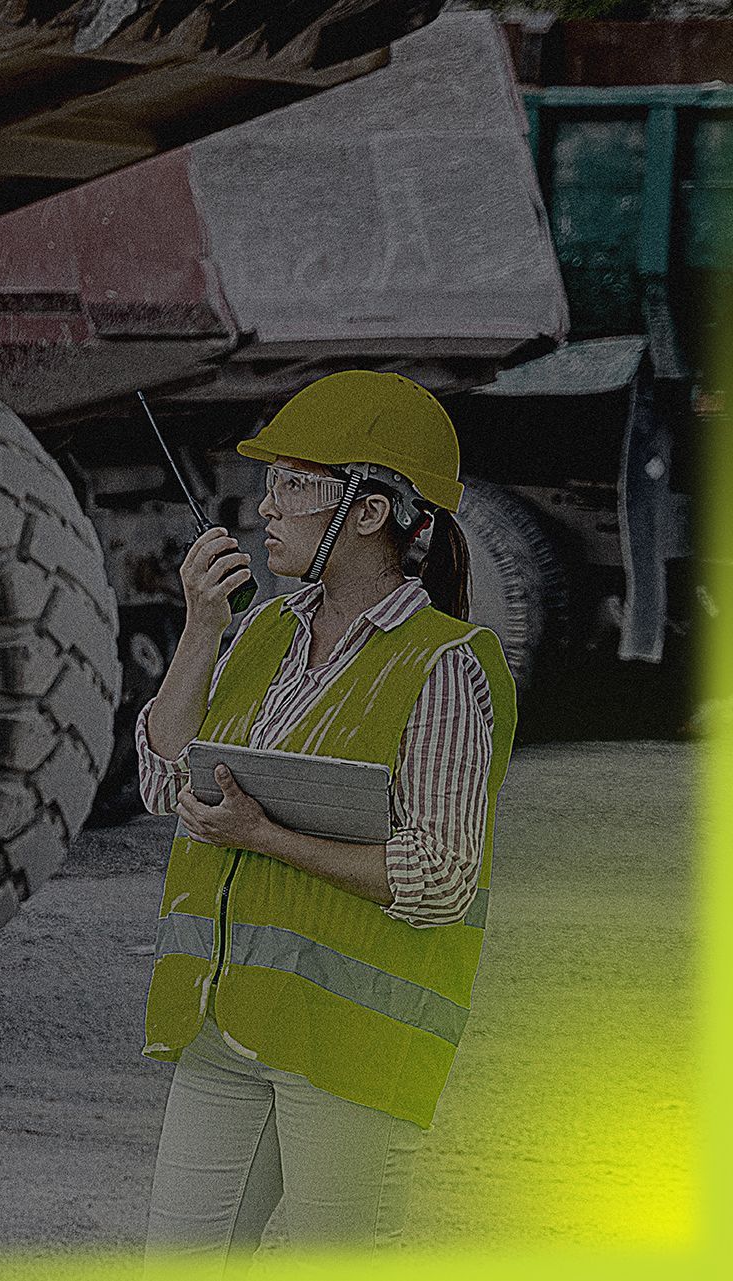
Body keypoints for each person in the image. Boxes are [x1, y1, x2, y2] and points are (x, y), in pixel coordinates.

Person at [133, 369, 518, 1271]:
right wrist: (199, 627)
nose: (267, 507)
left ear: (372, 509)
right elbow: (161, 779)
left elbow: (438, 878)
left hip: (352, 1043)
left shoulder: (447, 667)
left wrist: (264, 837)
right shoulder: (262, 631)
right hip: (221, 1018)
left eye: (295, 485)